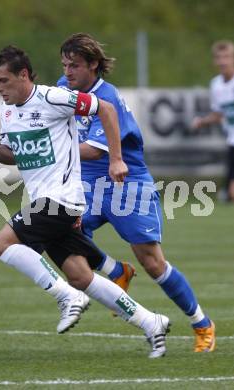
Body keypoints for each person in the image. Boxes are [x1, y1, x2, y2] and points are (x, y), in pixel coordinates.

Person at [0, 45, 171, 358]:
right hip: (44, 199)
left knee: (1, 244)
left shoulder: (53, 97)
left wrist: (115, 160)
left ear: (23, 75)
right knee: (80, 275)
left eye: (4, 81)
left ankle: (67, 297)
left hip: (62, 199)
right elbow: (14, 156)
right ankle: (151, 322)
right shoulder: (9, 111)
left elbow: (105, 109)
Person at [56, 33, 215, 353]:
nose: (68, 71)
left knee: (153, 263)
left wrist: (53, 148)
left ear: (94, 65)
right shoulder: (63, 87)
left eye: (74, 65)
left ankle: (202, 323)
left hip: (125, 182)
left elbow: (94, 151)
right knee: (60, 231)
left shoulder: (108, 98)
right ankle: (116, 271)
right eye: (64, 65)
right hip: (86, 182)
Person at [192, 40, 234, 203]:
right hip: (232, 141)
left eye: (227, 57)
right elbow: (219, 114)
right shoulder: (216, 84)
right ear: (215, 60)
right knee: (230, 193)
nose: (223, 61)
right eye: (219, 57)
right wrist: (202, 121)